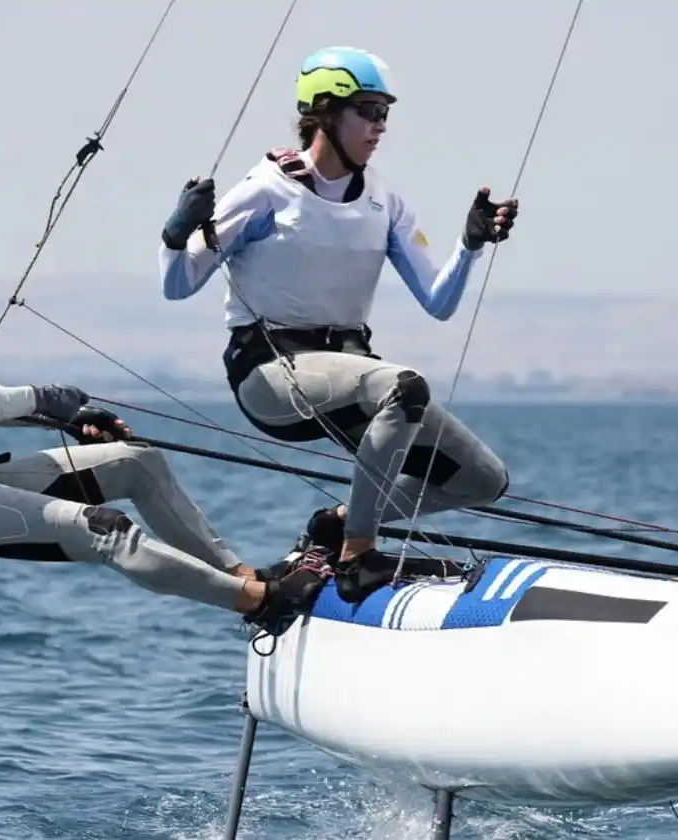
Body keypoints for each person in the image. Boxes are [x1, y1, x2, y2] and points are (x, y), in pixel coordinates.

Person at [0, 176, 328, 633]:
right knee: (105, 530)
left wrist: (66, 416)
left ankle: (247, 577)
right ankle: (262, 606)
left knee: (135, 463)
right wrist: (45, 398)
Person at [156, 46, 520, 601]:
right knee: (403, 388)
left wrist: (469, 246)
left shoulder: (386, 203)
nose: (380, 126)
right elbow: (178, 285)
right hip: (269, 374)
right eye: (368, 110)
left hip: (351, 376)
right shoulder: (264, 191)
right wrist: (174, 236)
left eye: (385, 113)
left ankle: (335, 527)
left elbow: (438, 302)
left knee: (482, 480)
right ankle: (357, 555)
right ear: (325, 111)